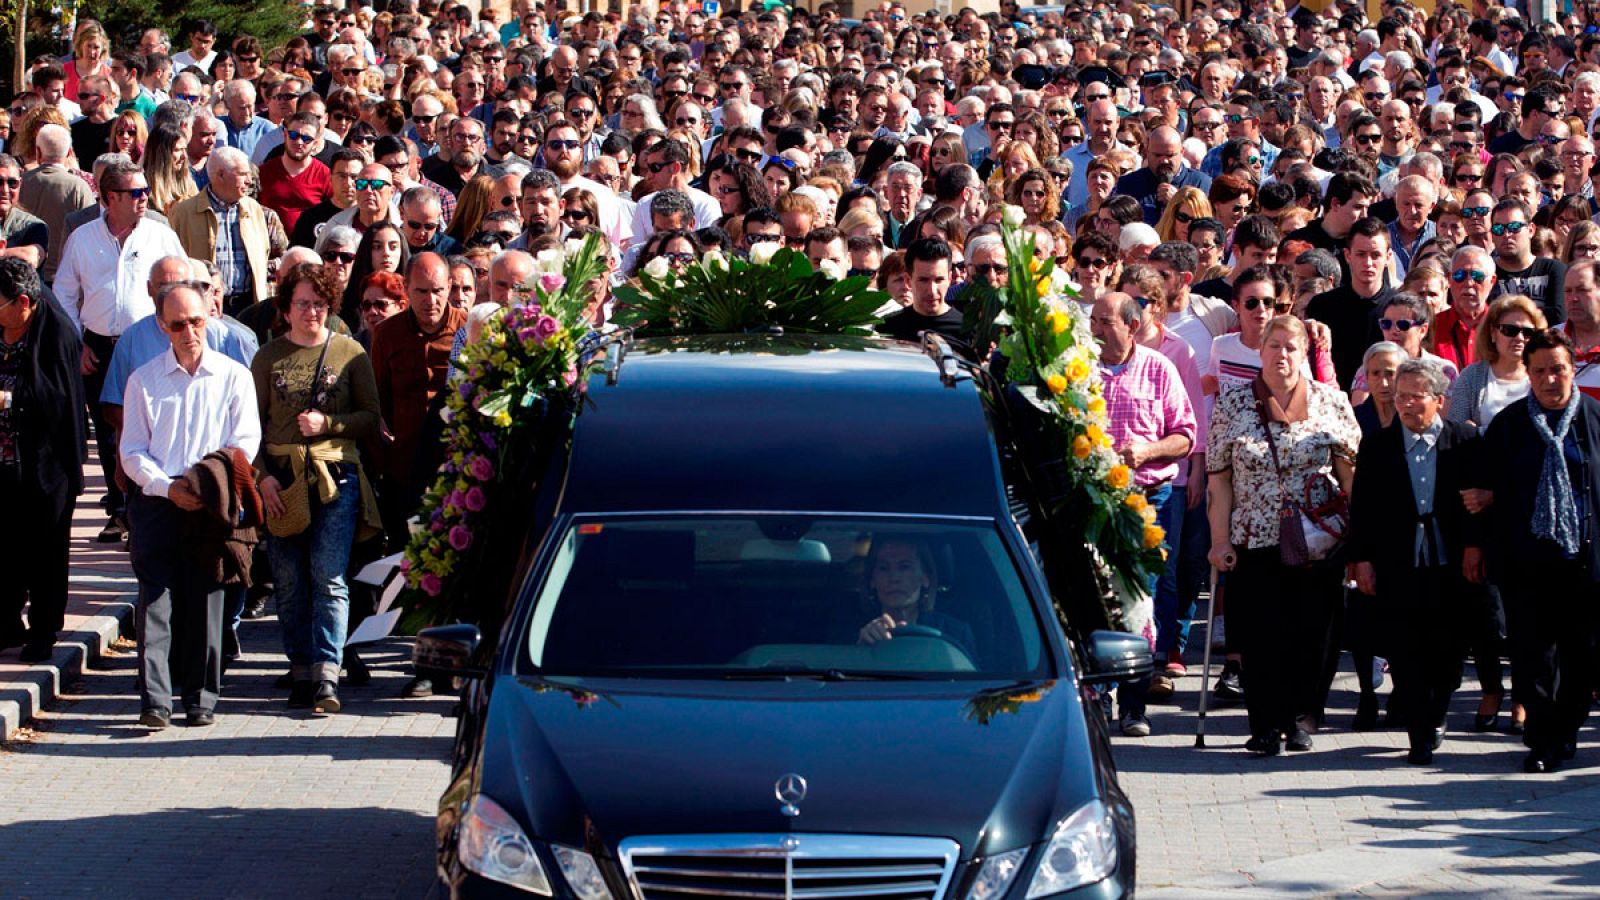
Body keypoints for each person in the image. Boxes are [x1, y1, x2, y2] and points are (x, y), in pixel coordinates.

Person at [1208, 315, 1361, 756]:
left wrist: (1358, 541)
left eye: (1291, 347)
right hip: (1254, 537)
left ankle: (1299, 717)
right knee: (1258, 636)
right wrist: (1219, 542)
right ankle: (1263, 723)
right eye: (1274, 346)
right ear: (1261, 352)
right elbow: (1220, 479)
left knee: (1311, 635)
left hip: (1317, 542)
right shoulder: (1234, 404)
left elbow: (1352, 475)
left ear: (1306, 353)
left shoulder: (1331, 403)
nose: (1282, 355)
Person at [120, 281, 260, 728]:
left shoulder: (234, 376)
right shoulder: (143, 380)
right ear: (162, 325)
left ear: (210, 318)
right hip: (159, 502)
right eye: (178, 324)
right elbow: (132, 451)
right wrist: (165, 487)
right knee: (156, 602)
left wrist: (206, 482)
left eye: (196, 321)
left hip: (211, 499)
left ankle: (201, 699)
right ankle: (155, 702)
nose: (189, 332)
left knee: (207, 601)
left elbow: (245, 441)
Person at [253, 263, 381, 714]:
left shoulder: (350, 352)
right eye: (303, 303)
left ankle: (328, 672)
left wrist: (328, 423)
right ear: (286, 308)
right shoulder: (268, 358)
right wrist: (262, 476)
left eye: (320, 304)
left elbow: (370, 418)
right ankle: (301, 670)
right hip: (282, 480)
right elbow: (250, 428)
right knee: (288, 581)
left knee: (329, 577)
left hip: (335, 476)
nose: (311, 312)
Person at [1473, 329, 1600, 773]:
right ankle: (1543, 738)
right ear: (1528, 374)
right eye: (1541, 371)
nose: (1550, 380)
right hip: (1527, 563)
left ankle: (1567, 730)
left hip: (1583, 562)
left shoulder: (1593, 418)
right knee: (1533, 658)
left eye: (1559, 370)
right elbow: (1485, 494)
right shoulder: (1509, 426)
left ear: (1573, 370)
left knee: (1581, 658)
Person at [1348, 358, 1483, 765]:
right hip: (1399, 562)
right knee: (1405, 650)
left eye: (1415, 397)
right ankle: (1419, 734)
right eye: (1400, 397)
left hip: (1451, 563)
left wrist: (1475, 549)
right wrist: (1363, 560)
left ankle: (1438, 711)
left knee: (1448, 650)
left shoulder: (1464, 441)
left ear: (1439, 401)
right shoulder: (1378, 446)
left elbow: (1478, 506)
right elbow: (1364, 509)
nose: (1405, 405)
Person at [53, 159, 186, 543]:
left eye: (145, 191)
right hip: (97, 347)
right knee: (109, 430)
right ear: (110, 198)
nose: (145, 198)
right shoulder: (83, 238)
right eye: (136, 193)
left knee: (150, 426)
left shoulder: (160, 235)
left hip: (150, 344)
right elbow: (64, 293)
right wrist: (76, 343)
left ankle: (149, 505)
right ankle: (119, 508)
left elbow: (184, 278)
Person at [1091, 290, 1197, 736]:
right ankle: (1097, 699)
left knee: (1139, 599)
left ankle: (1134, 704)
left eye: (1104, 322)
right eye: (1093, 319)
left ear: (1131, 326)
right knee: (1093, 597)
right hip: (1093, 500)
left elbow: (1186, 435)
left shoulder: (1159, 369)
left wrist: (1148, 450)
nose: (1094, 329)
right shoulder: (1078, 371)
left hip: (1147, 499)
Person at [0, 257, 85, 662]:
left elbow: (60, 405)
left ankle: (43, 629)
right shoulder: (4, 330)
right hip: (4, 465)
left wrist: (11, 400)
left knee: (46, 551)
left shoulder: (58, 336)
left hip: (46, 469)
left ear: (23, 303)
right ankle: (6, 622)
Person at [167, 147, 272, 316]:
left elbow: (264, 252)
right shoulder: (183, 213)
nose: (249, 181)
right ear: (221, 175)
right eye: (242, 174)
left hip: (249, 305)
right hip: (203, 305)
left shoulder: (254, 210)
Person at [853, 536, 975, 659]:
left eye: (905, 567)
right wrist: (863, 650)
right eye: (884, 568)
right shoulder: (849, 630)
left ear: (926, 578)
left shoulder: (955, 634)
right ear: (872, 580)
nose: (894, 578)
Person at [1447, 296, 1547, 432]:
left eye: (1528, 332)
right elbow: (1456, 431)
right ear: (1493, 333)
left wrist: (1479, 432)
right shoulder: (1471, 376)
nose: (1519, 338)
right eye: (1510, 330)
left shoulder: (1545, 376)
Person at [877, 238, 962, 342]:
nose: (932, 291)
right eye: (923, 280)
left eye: (939, 280)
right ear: (908, 280)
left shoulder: (967, 330)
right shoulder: (888, 328)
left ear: (949, 279)